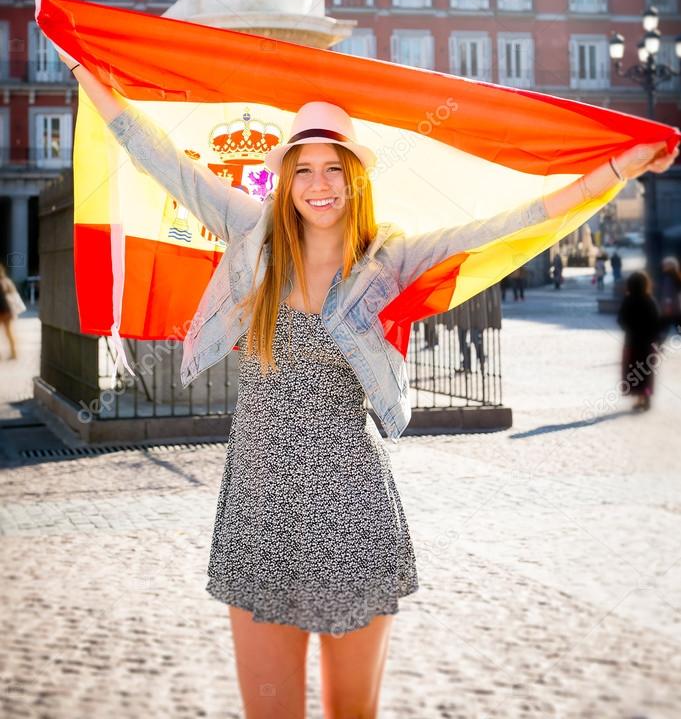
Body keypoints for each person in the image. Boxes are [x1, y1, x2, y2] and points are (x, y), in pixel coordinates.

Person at [54, 40, 678, 719]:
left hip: (353, 505)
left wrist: (617, 167)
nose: (319, 183)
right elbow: (161, 162)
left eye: (334, 168)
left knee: (352, 713)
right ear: (286, 179)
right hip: (258, 503)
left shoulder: (390, 257)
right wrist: (88, 71)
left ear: (355, 178)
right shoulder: (249, 231)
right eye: (304, 169)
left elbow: (515, 218)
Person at [616, 271, 666, 411]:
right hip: (647, 343)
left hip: (632, 342)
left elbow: (621, 320)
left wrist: (630, 328)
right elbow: (657, 322)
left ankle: (639, 398)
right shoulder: (649, 300)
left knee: (634, 372)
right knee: (646, 372)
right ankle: (646, 397)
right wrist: (657, 339)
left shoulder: (628, 300)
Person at [0, 263, 22, 360]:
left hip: (2, 310)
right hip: (7, 311)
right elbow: (14, 295)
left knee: (9, 333)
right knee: (9, 333)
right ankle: (14, 353)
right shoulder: (7, 281)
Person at [659, 256, 681, 339]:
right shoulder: (676, 277)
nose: (663, 266)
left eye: (665, 265)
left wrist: (667, 306)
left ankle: (657, 346)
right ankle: (658, 345)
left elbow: (668, 293)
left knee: (662, 330)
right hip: (676, 309)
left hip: (668, 309)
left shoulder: (668, 278)